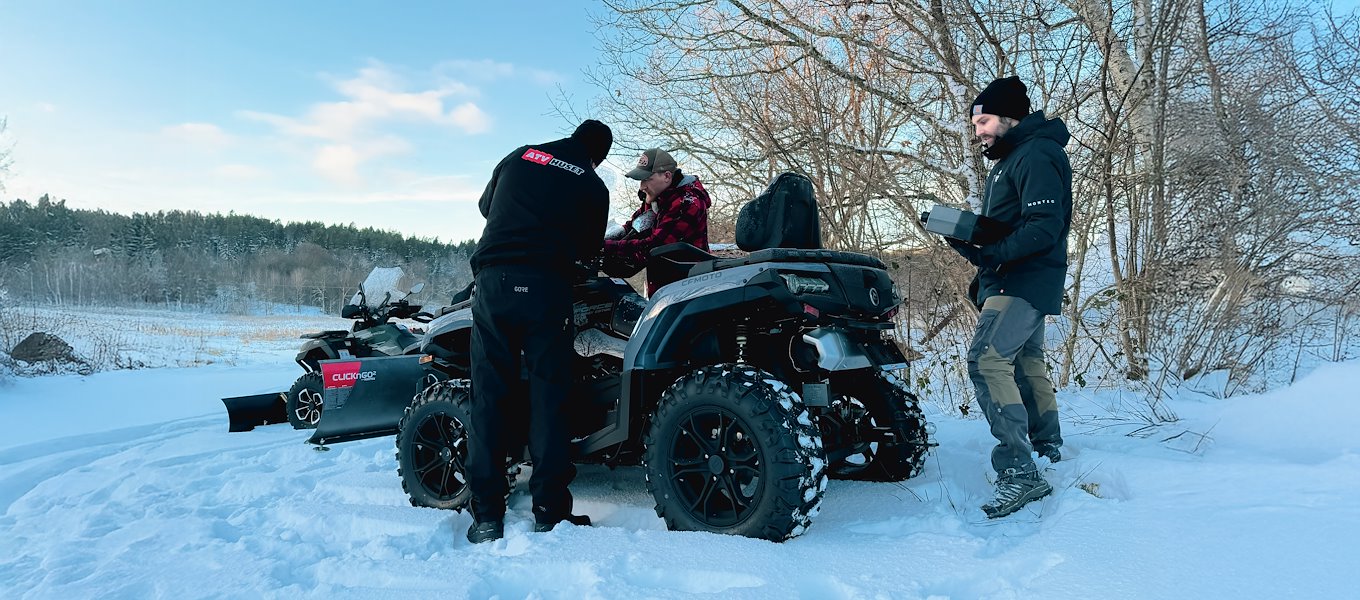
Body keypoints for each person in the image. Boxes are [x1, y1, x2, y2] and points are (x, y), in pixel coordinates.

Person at [464, 119, 613, 543]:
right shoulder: (592, 184)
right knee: (550, 394)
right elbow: (590, 252)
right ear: (597, 156)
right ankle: (549, 511)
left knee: (489, 396)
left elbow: (485, 206)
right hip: (547, 287)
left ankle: (487, 517)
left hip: (494, 281)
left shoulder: (522, 153)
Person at [949, 76, 1072, 519]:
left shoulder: (1037, 153)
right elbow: (1010, 225)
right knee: (1025, 362)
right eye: (974, 122)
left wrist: (993, 256)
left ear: (1008, 117)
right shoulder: (1012, 158)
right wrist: (971, 241)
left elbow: (1043, 227)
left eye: (983, 120)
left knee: (986, 360)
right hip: (1012, 278)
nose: (978, 129)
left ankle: (1021, 472)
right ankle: (1045, 446)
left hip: (1022, 279)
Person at [601, 148, 712, 295]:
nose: (642, 186)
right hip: (663, 284)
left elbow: (654, 245)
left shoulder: (688, 203)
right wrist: (604, 237)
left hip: (686, 288)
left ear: (666, 176)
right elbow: (635, 224)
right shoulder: (658, 198)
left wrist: (606, 247)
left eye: (647, 179)